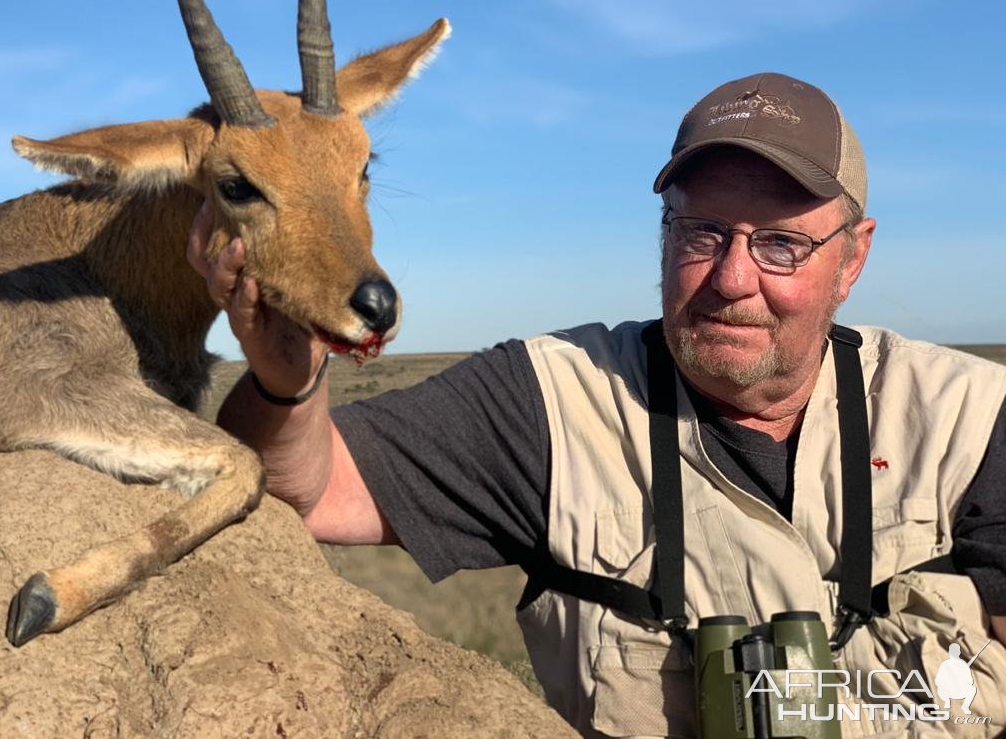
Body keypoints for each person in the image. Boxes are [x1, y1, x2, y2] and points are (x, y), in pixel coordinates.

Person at [188, 72, 1006, 736]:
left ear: (853, 258)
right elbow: (309, 489)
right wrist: (284, 375)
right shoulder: (551, 399)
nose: (730, 278)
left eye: (781, 244)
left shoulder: (972, 420)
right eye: (700, 233)